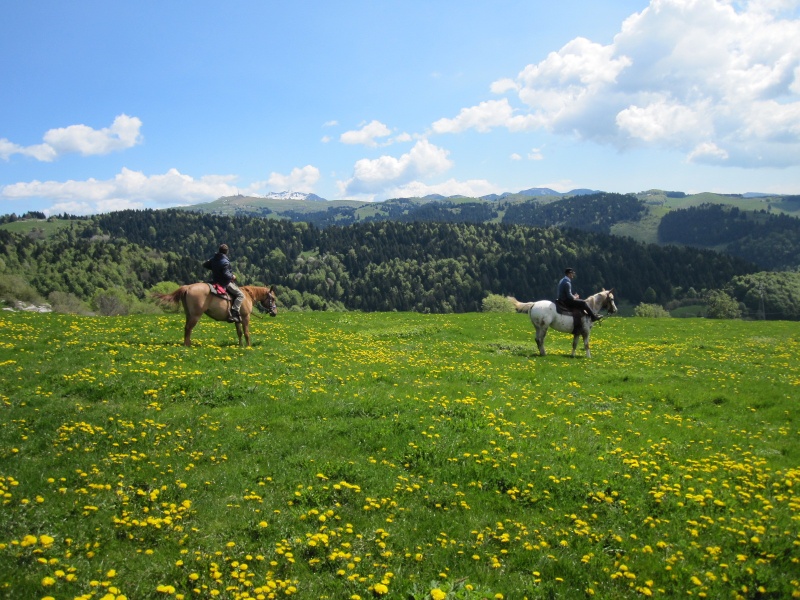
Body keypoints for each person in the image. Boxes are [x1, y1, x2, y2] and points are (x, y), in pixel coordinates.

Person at [203, 244, 244, 323]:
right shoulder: (225, 261)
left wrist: (214, 268)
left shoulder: (214, 258)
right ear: (226, 252)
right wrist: (232, 276)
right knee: (240, 295)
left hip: (214, 280)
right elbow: (226, 274)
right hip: (224, 282)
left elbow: (205, 264)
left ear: (219, 250)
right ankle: (234, 313)